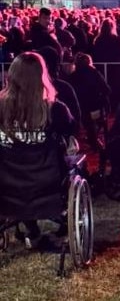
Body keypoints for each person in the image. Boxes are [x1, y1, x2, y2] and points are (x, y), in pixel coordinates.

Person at [0, 52, 75, 247]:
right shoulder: (56, 110)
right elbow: (70, 132)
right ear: (42, 76)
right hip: (47, 181)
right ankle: (46, 224)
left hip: (8, 183)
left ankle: (30, 227)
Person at [68, 52, 112, 150]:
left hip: (80, 109)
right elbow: (106, 89)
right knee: (97, 116)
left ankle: (91, 137)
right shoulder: (94, 73)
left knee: (87, 118)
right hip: (95, 107)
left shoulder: (72, 76)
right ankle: (95, 137)